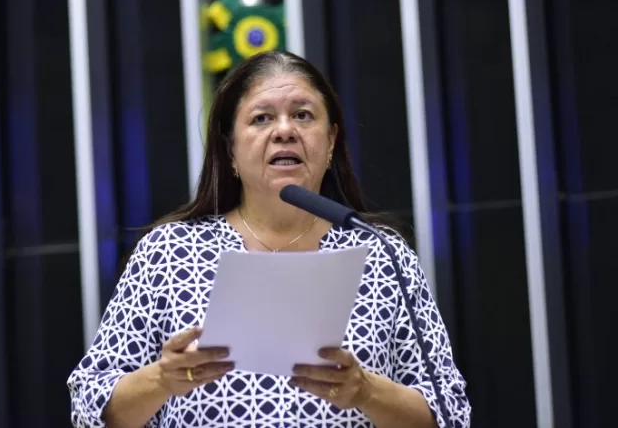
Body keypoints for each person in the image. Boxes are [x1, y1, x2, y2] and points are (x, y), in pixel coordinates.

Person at [67, 50, 471, 428]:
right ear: (230, 151)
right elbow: (89, 406)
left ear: (330, 142)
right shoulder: (169, 253)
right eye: (261, 118)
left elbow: (450, 414)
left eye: (302, 115)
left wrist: (365, 390)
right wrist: (162, 379)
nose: (284, 131)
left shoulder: (381, 254)